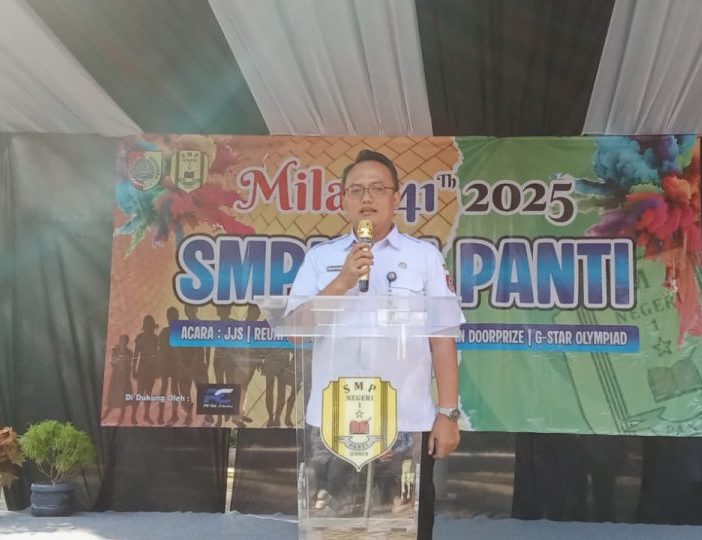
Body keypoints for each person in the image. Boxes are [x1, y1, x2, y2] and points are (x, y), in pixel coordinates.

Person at [288, 149, 461, 539]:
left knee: (403, 528)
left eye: (377, 189)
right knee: (337, 530)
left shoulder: (424, 257)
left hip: (405, 421)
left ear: (395, 198)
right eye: (356, 190)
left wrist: (448, 414)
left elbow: (442, 340)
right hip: (334, 422)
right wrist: (342, 282)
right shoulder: (321, 259)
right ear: (343, 200)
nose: (366, 198)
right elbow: (295, 330)